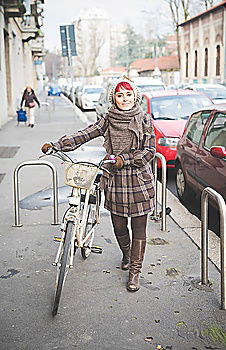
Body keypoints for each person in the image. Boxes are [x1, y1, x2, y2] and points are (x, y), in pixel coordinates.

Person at [41, 76, 156, 292]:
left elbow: (150, 151)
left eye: (128, 94)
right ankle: (126, 254)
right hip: (115, 180)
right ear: (113, 98)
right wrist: (57, 145)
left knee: (139, 227)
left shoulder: (144, 119)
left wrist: (126, 159)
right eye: (120, 95)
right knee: (119, 226)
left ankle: (135, 271)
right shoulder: (108, 118)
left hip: (139, 180)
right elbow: (86, 133)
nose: (124, 99)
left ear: (135, 96)